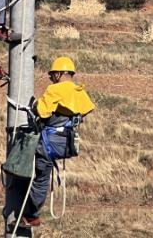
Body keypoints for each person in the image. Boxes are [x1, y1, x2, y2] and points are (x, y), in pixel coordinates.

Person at [21, 56, 94, 227]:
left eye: (53, 75)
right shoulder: (78, 91)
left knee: (39, 178)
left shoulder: (56, 90)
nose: (51, 78)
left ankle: (30, 216)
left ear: (60, 74)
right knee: (42, 176)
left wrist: (36, 106)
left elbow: (42, 112)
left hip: (48, 143)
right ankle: (31, 212)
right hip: (66, 144)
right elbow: (88, 108)